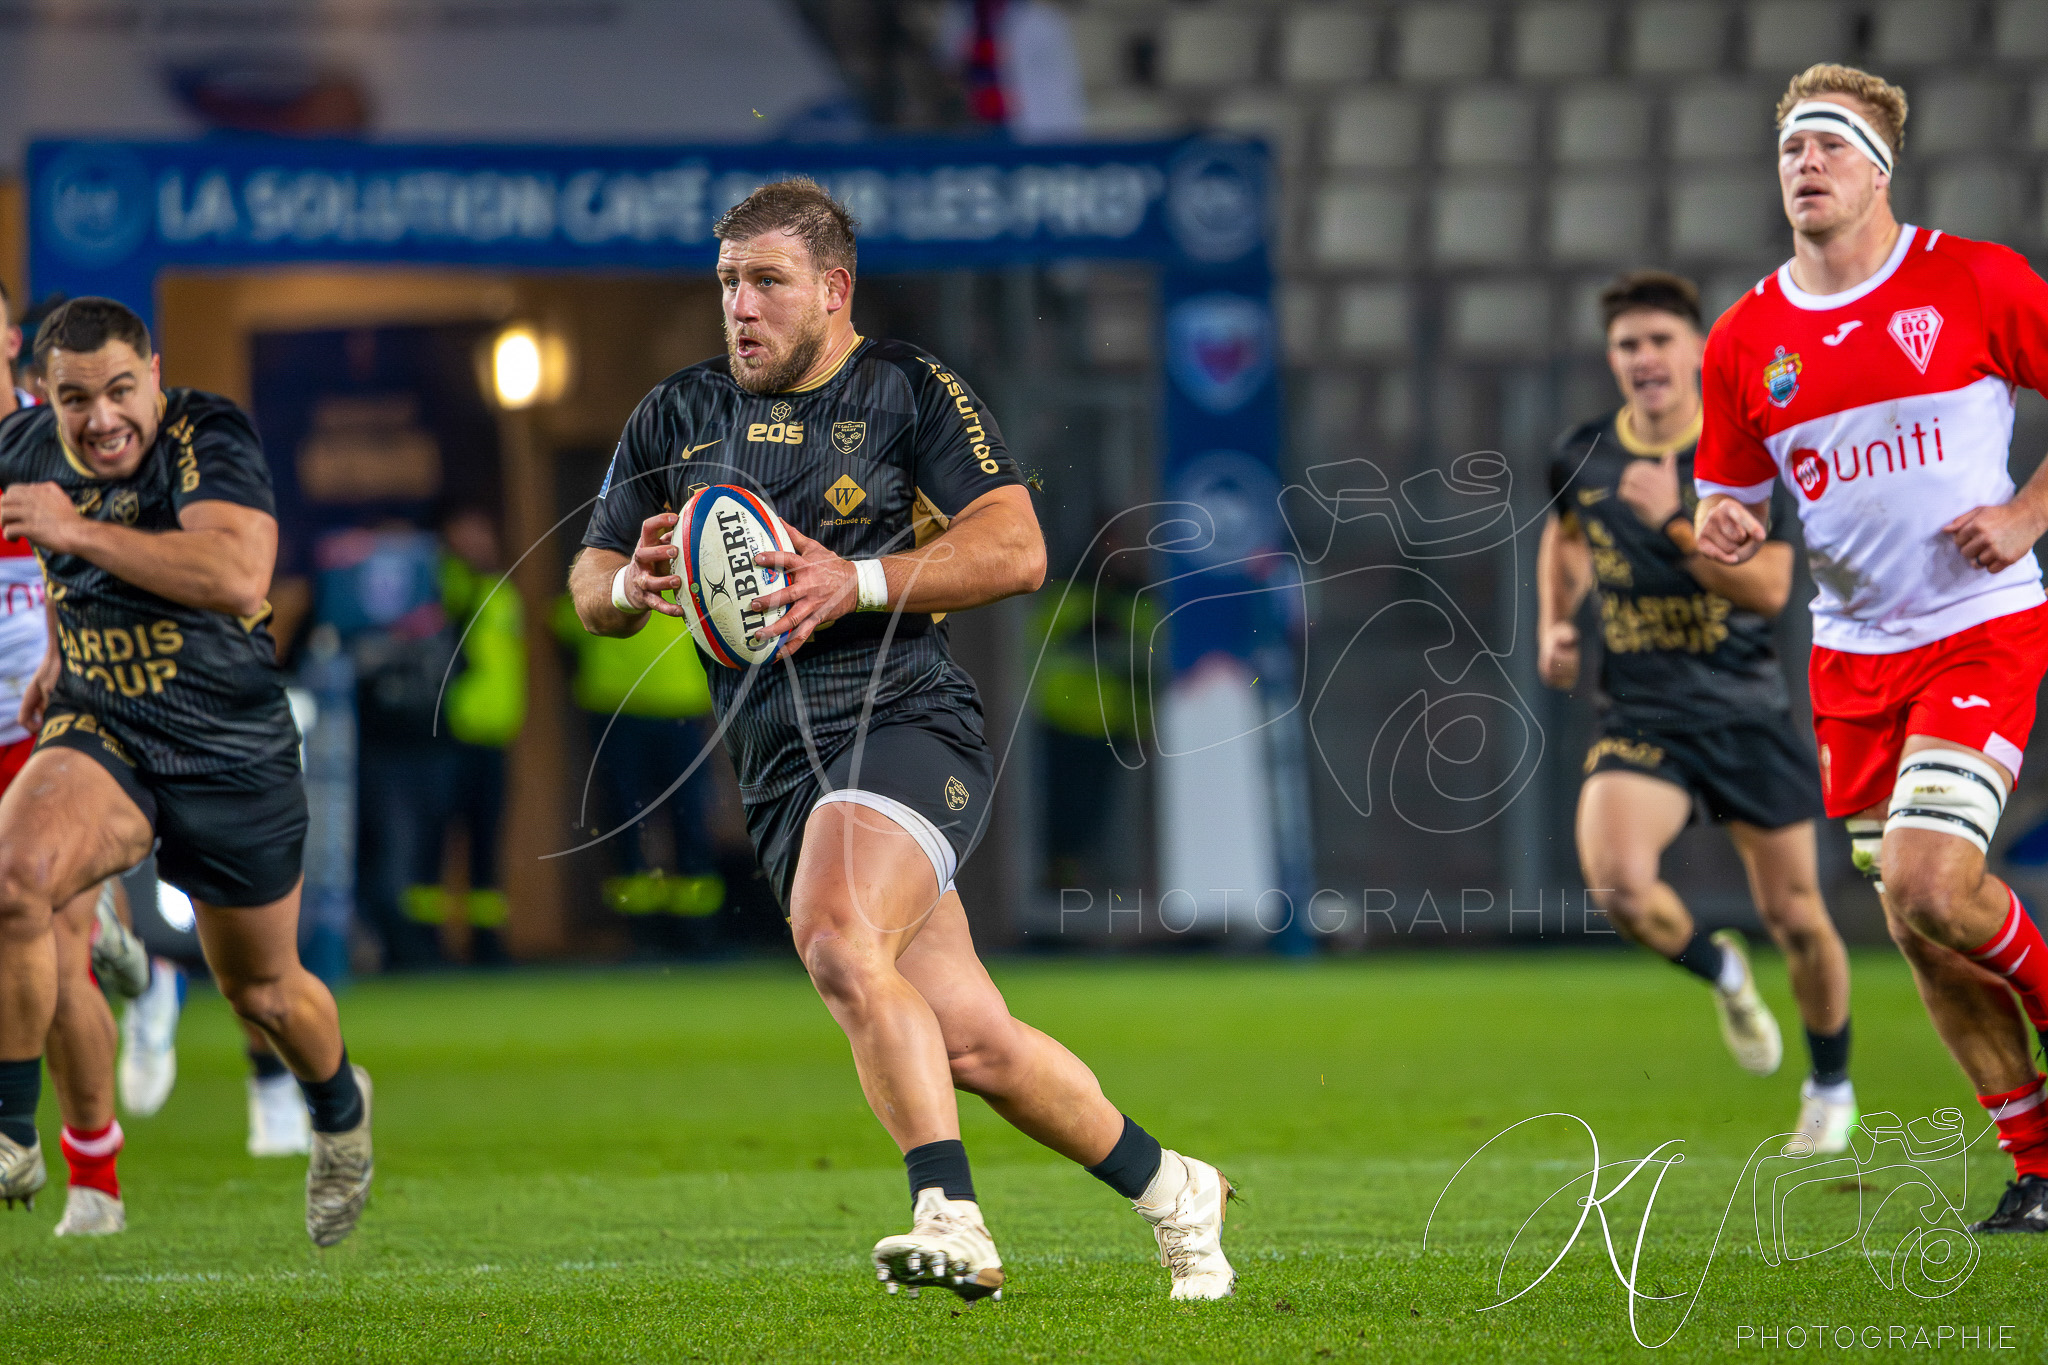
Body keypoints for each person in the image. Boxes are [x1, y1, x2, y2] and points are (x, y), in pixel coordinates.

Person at [570, 179, 1236, 1301]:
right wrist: (632, 583)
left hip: (903, 723)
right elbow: (587, 581)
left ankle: (953, 1216)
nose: (741, 305)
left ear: (833, 291)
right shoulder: (677, 412)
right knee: (972, 1041)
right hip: (779, 764)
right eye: (728, 282)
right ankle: (1174, 1186)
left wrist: (858, 578)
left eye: (767, 282)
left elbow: (1016, 549)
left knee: (834, 936)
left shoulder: (908, 391)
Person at [1696, 65, 2048, 1234]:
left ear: (1877, 169)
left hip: (1975, 633)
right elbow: (1728, 512)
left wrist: (2022, 516)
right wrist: (1725, 528)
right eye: (1790, 148)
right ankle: (2039, 1168)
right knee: (1915, 922)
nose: (1804, 164)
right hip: (1849, 663)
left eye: (1827, 147)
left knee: (1924, 882)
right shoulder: (1745, 338)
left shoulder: (1972, 280)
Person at [0, 297, 372, 1245]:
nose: (102, 418)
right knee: (14, 880)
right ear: (43, 394)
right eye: (75, 398)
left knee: (264, 992)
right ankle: (12, 1134)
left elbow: (237, 574)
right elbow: (47, 559)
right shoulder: (26, 448)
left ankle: (338, 1112)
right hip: (102, 725)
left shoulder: (210, 433)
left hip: (228, 749)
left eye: (122, 389)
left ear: (155, 375)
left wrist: (74, 532)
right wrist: (55, 647)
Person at [1540, 270, 1857, 1152]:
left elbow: (1767, 589)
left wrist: (1676, 518)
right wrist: (1555, 622)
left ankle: (1830, 1083)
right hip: (1642, 708)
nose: (1644, 358)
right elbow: (1565, 536)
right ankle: (1721, 966)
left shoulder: (1745, 455)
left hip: (1747, 711)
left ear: (1698, 352)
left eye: (1660, 341)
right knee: (1620, 886)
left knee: (1798, 915)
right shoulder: (1583, 453)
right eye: (1628, 344)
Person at [551, 586, 726, 946]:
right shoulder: (603, 562)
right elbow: (568, 618)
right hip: (621, 708)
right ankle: (641, 930)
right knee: (627, 817)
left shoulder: (688, 561)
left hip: (672, 707)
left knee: (686, 816)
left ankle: (695, 930)